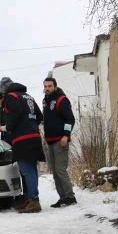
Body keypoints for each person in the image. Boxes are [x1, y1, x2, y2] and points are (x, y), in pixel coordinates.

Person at [0, 77, 44, 213]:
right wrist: (30, 125)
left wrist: (0, 129)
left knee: (26, 171)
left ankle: (34, 200)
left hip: (22, 139)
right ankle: (30, 198)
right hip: (34, 137)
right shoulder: (28, 96)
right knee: (32, 170)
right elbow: (39, 117)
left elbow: (11, 123)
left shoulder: (10, 97)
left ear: (3, 90)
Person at [0, 87, 28, 209]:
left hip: (15, 140)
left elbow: (9, 125)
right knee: (14, 169)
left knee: (23, 169)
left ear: (1, 98)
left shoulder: (10, 106)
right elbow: (0, 124)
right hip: (6, 141)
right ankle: (19, 196)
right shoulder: (2, 109)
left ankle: (27, 196)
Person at [42, 76, 77, 207]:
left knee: (60, 170)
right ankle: (62, 197)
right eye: (45, 86)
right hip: (50, 141)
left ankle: (70, 197)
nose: (47, 89)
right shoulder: (45, 101)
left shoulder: (62, 100)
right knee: (55, 172)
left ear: (55, 87)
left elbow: (70, 119)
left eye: (50, 86)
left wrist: (66, 136)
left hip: (60, 141)